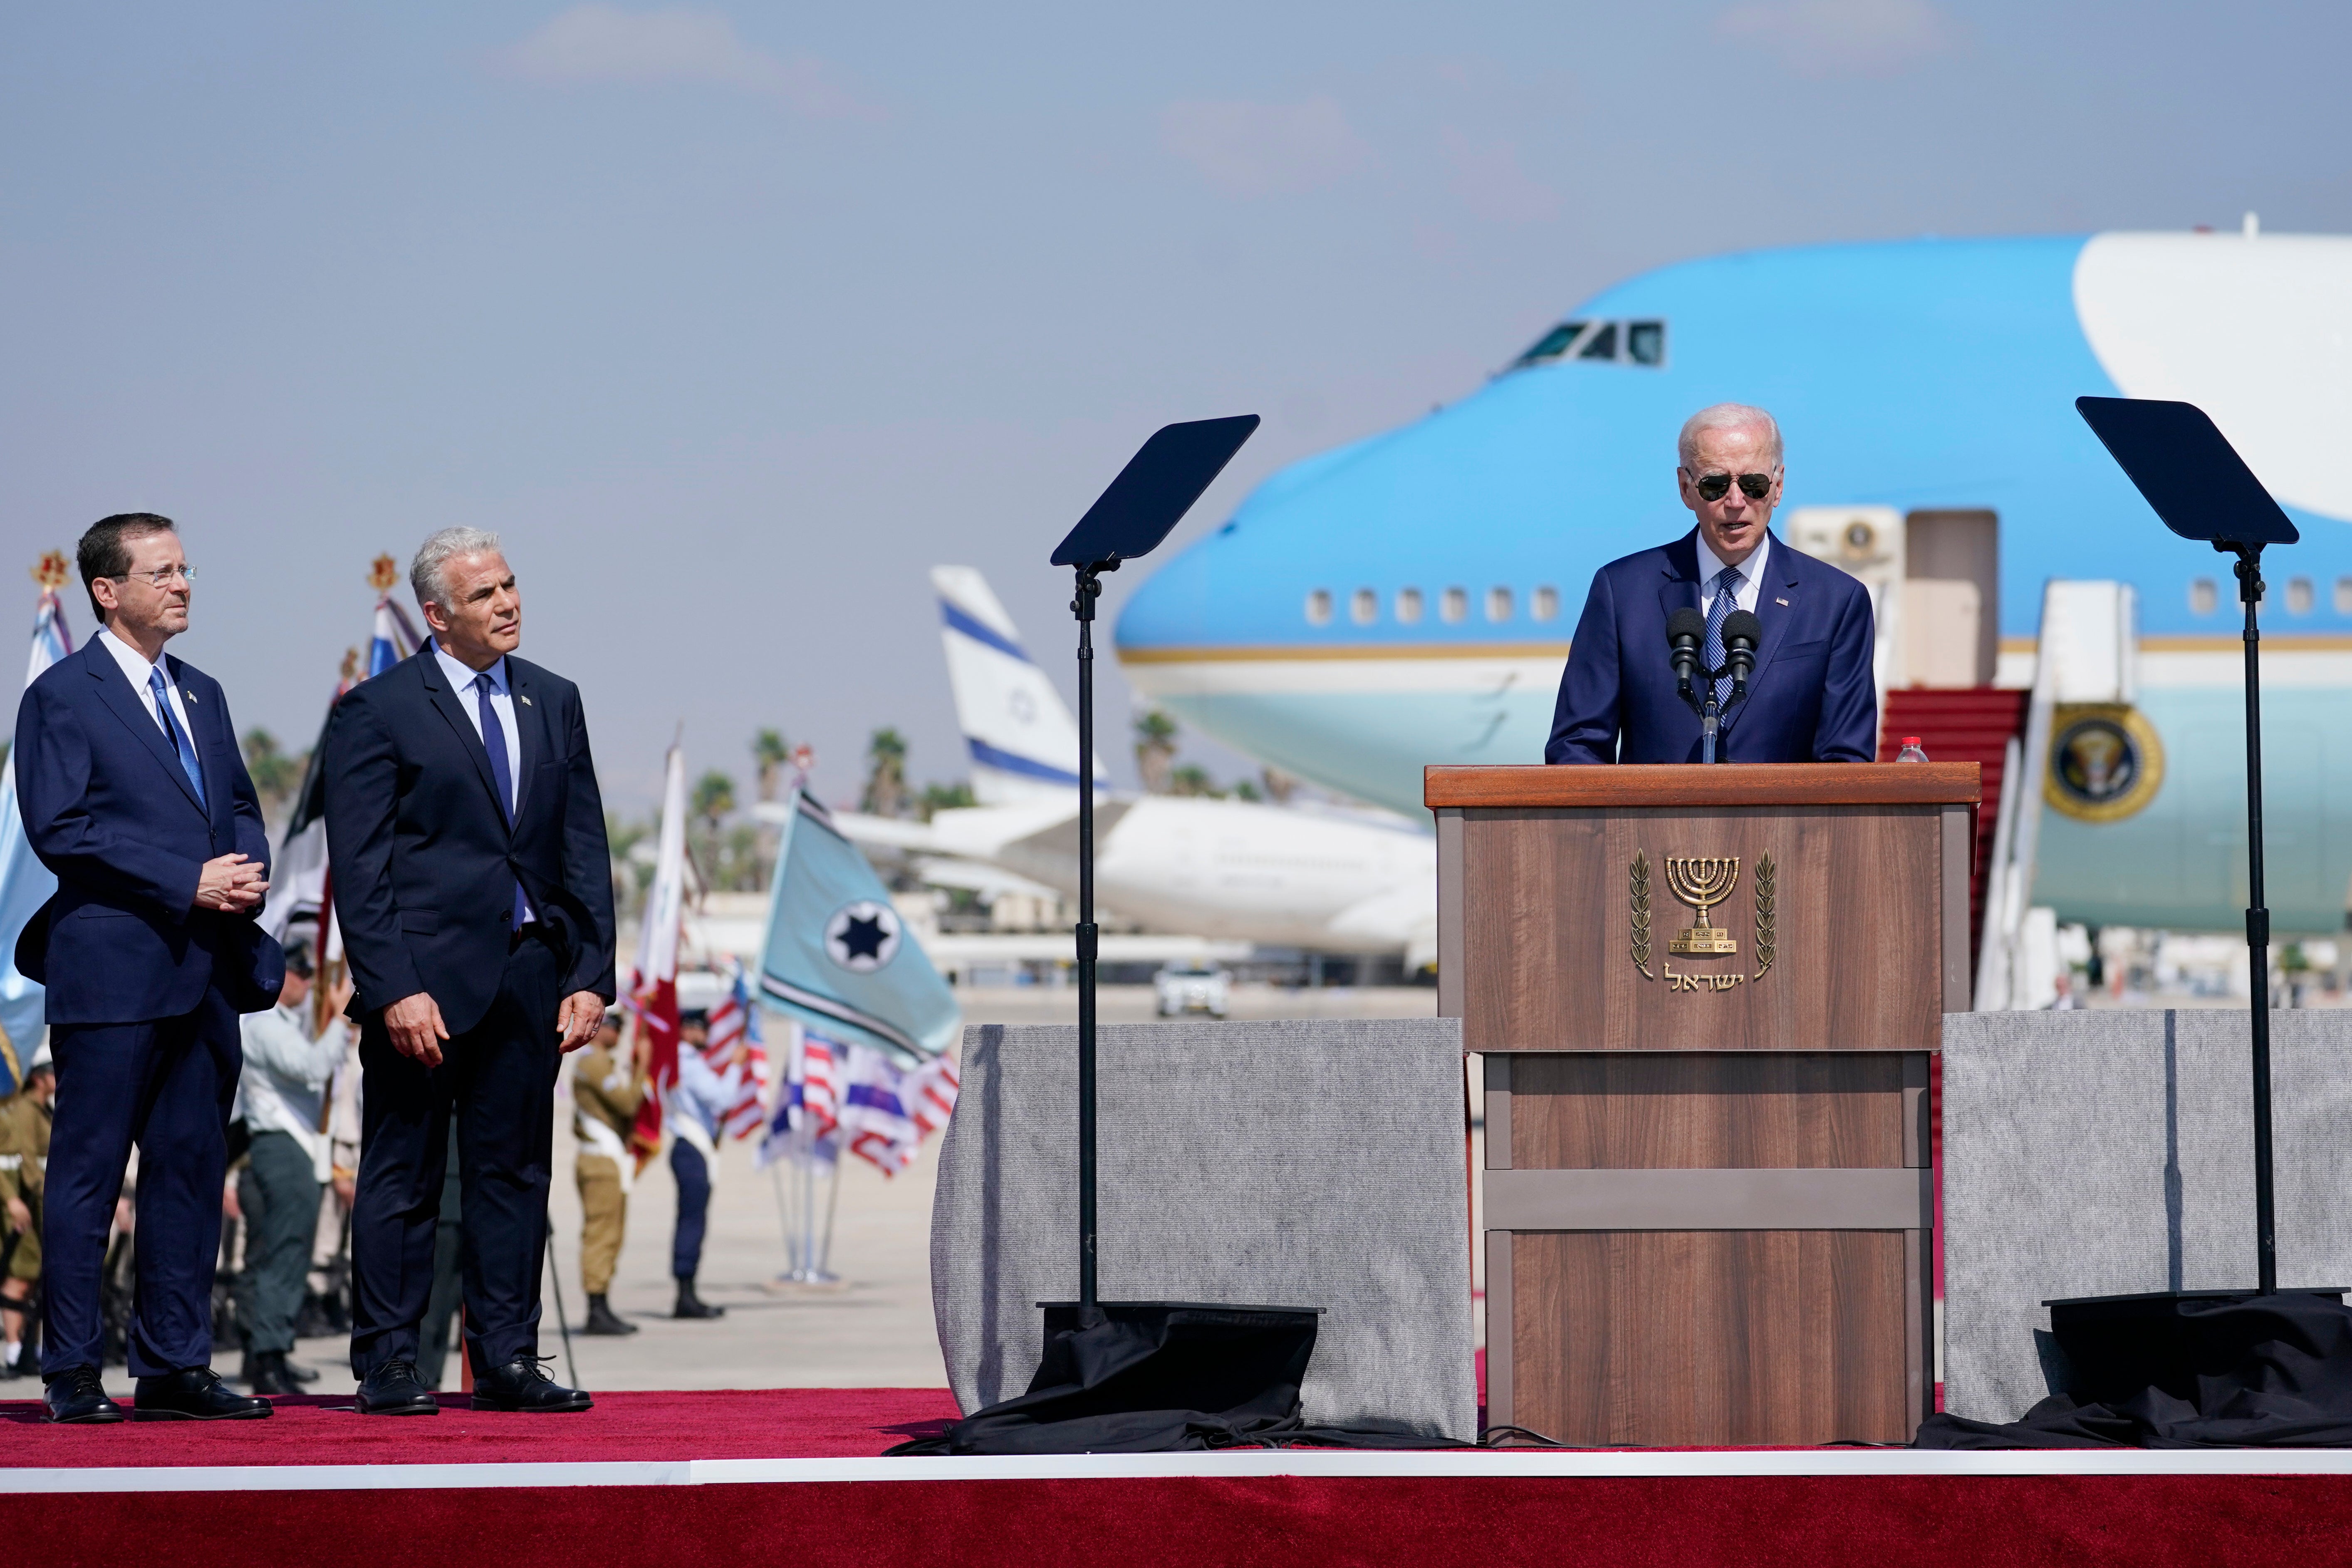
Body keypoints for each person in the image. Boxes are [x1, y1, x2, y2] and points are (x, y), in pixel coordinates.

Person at [323, 526, 616, 1416]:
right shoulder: (378, 710)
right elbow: (361, 870)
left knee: (515, 1175)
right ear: (438, 615)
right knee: (403, 1177)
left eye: (511, 585)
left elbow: (583, 847)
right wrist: (391, 987)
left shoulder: (554, 700)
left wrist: (591, 973)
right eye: (486, 594)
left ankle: (507, 1359)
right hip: (422, 989)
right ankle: (388, 1363)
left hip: (530, 976)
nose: (509, 603)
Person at [14, 513, 284, 1424]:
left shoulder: (202, 693)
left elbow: (239, 805)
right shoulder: (62, 695)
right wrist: (185, 879)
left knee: (187, 1172)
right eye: (162, 571)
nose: (183, 584)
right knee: (88, 1177)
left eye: (185, 568)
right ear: (107, 590)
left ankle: (173, 1366)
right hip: (113, 976)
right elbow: (62, 829)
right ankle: (74, 1371)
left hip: (206, 974)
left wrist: (245, 869)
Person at [1545, 404, 1878, 766]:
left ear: (1778, 487)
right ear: (1686, 489)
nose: (1736, 502)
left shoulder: (1836, 601)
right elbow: (1576, 747)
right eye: (1715, 485)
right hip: (1652, 823)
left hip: (1782, 823)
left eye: (1754, 484)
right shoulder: (1622, 593)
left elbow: (1846, 762)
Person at [233, 945, 350, 1395]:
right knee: (285, 1253)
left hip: (288, 1146)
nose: (307, 981)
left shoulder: (280, 1024)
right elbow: (311, 1066)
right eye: (299, 974)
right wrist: (339, 1020)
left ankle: (270, 1351)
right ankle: (268, 1352)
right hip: (283, 1147)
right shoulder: (265, 1024)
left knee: (278, 1254)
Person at [571, 1010, 641, 1336]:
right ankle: (596, 1307)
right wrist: (644, 1070)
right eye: (613, 1027)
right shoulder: (594, 1062)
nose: (618, 1034)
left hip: (607, 1159)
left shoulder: (601, 1062)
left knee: (612, 1233)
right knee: (601, 1233)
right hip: (600, 1161)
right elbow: (627, 1103)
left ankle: (601, 1303)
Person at [667, 1011, 728, 1321]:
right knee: (692, 1221)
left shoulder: (683, 1060)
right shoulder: (687, 1060)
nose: (706, 1035)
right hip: (691, 1148)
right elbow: (722, 1097)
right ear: (689, 1030)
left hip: (692, 1147)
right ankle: (685, 1292)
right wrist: (739, 1066)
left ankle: (688, 1289)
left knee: (693, 1220)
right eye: (702, 1029)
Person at [1, 1045, 55, 1379]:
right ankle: (13, 1351)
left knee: (33, 1276)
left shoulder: (41, 1111)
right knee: (19, 1274)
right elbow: (22, 1162)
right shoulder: (23, 1110)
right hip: (22, 1199)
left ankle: (29, 1350)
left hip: (34, 1199)